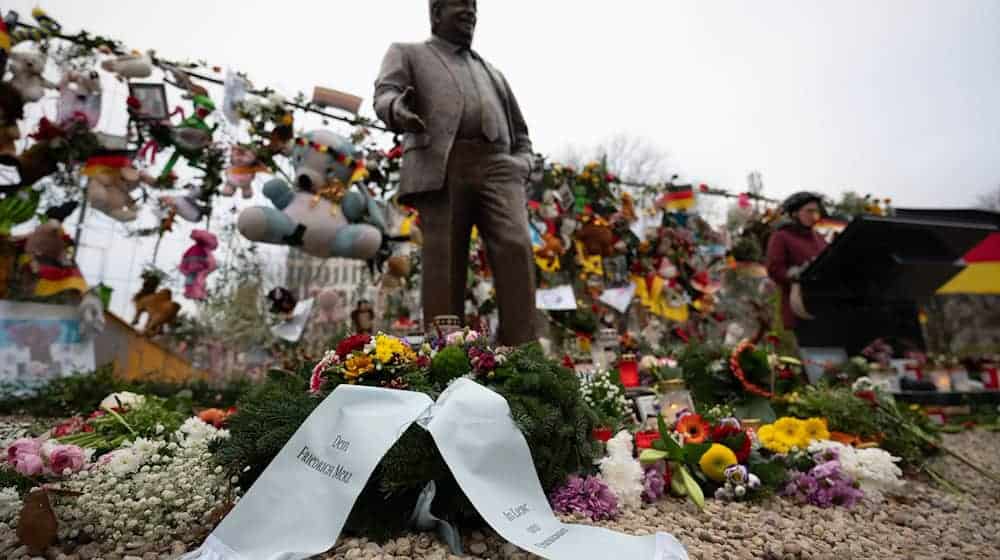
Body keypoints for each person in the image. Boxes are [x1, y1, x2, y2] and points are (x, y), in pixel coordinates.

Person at [373, 0, 537, 346]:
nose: (470, 11)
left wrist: (521, 163)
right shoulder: (408, 52)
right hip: (444, 164)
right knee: (445, 261)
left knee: (517, 246)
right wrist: (396, 109)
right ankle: (446, 352)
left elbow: (521, 134)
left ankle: (522, 352)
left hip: (498, 166)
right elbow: (385, 94)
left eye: (474, 6)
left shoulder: (493, 72)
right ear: (435, 13)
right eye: (460, 4)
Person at [766, 192, 828, 339]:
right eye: (809, 211)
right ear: (794, 213)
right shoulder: (781, 236)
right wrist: (795, 274)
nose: (814, 215)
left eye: (816, 211)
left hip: (823, 308)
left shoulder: (819, 238)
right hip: (797, 309)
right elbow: (774, 269)